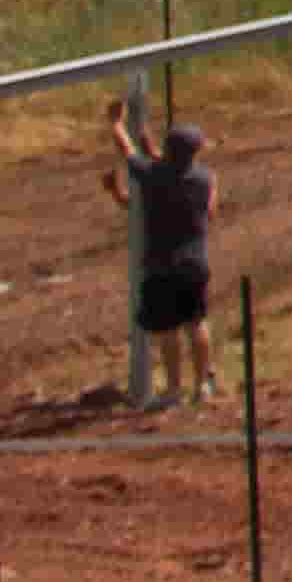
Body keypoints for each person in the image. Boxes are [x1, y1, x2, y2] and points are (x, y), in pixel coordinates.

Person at [102, 94, 218, 407]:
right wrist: (152, 149)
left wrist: (115, 123)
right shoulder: (205, 179)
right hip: (195, 263)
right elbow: (210, 211)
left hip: (161, 266)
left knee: (168, 331)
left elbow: (127, 152)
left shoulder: (154, 177)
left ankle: (173, 390)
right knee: (197, 323)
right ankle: (202, 386)